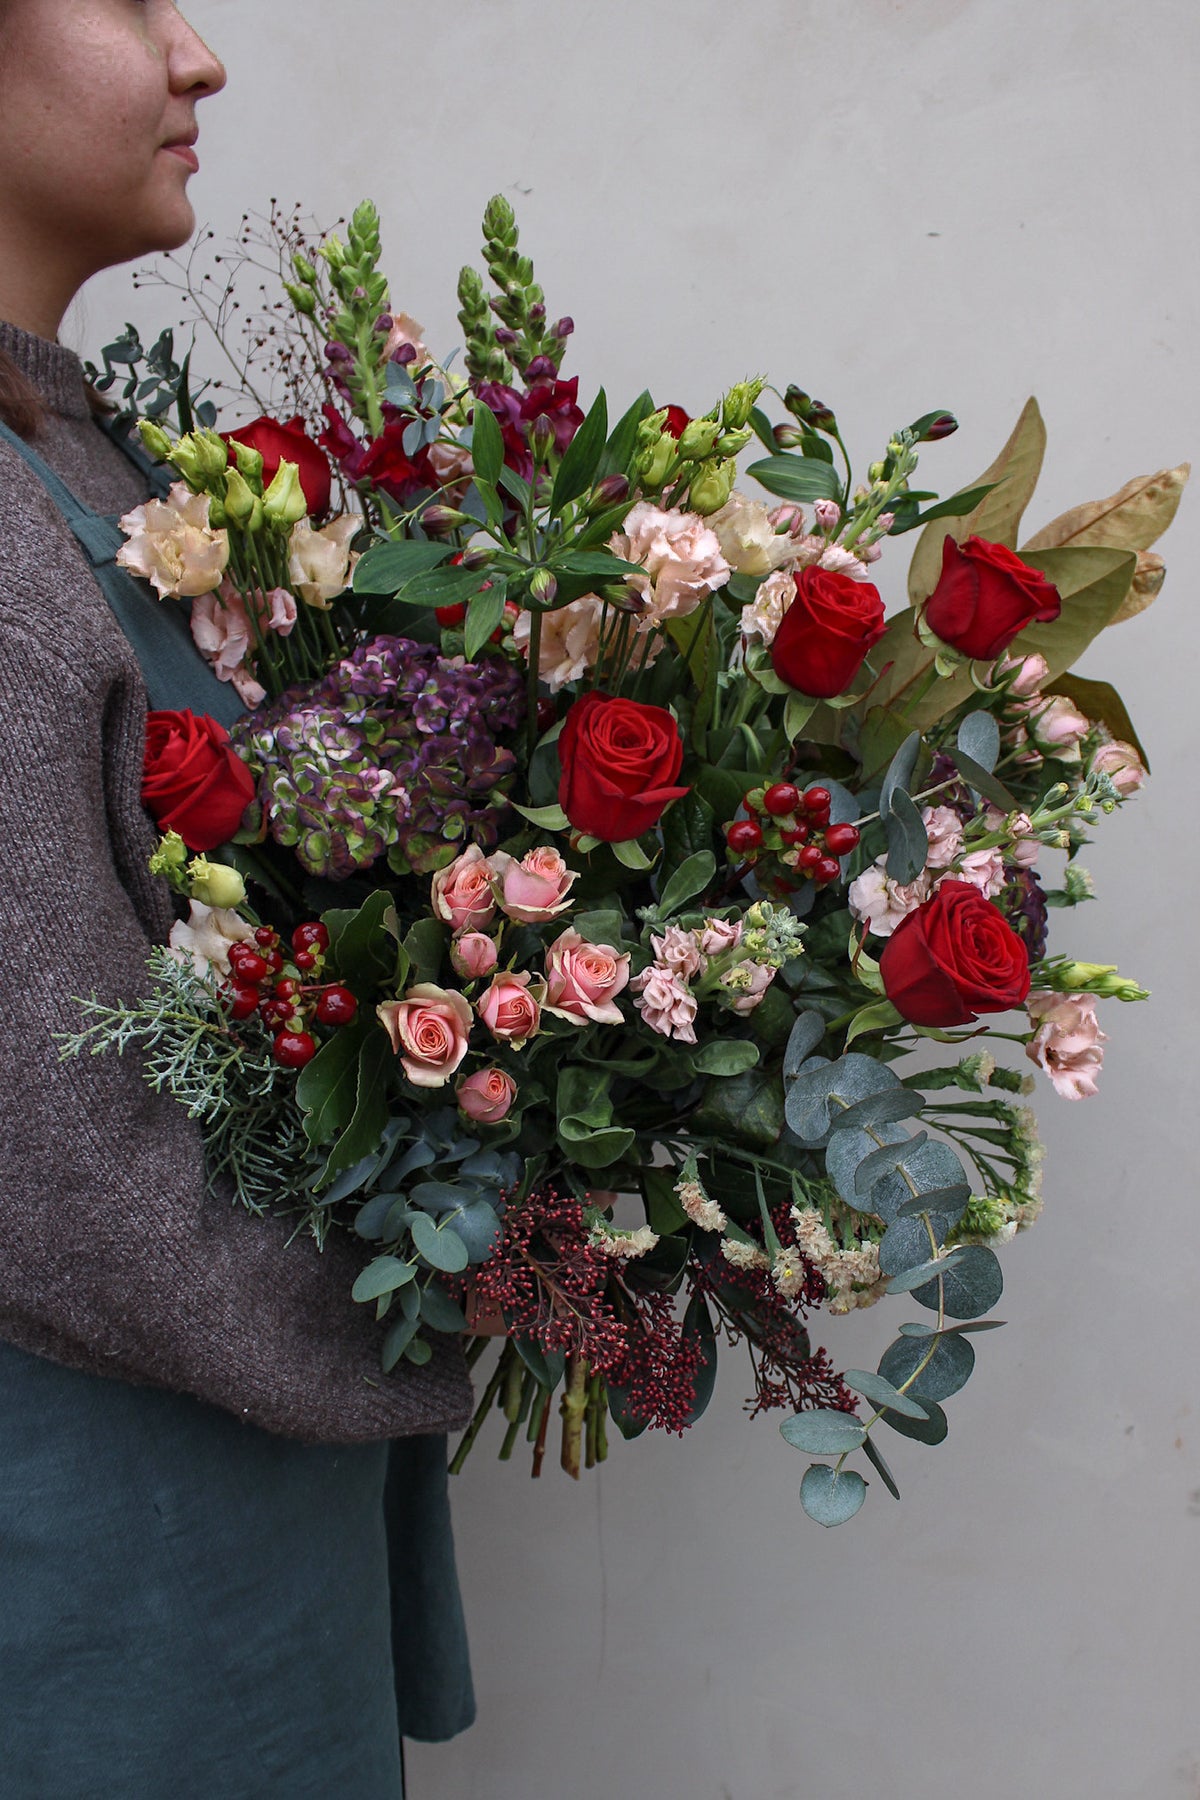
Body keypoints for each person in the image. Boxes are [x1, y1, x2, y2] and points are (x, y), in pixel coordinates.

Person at [0, 4, 476, 1794]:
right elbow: (45, 1149)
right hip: (94, 1560)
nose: (194, 55)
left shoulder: (87, 453)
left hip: (214, 1493)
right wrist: (455, 1285)